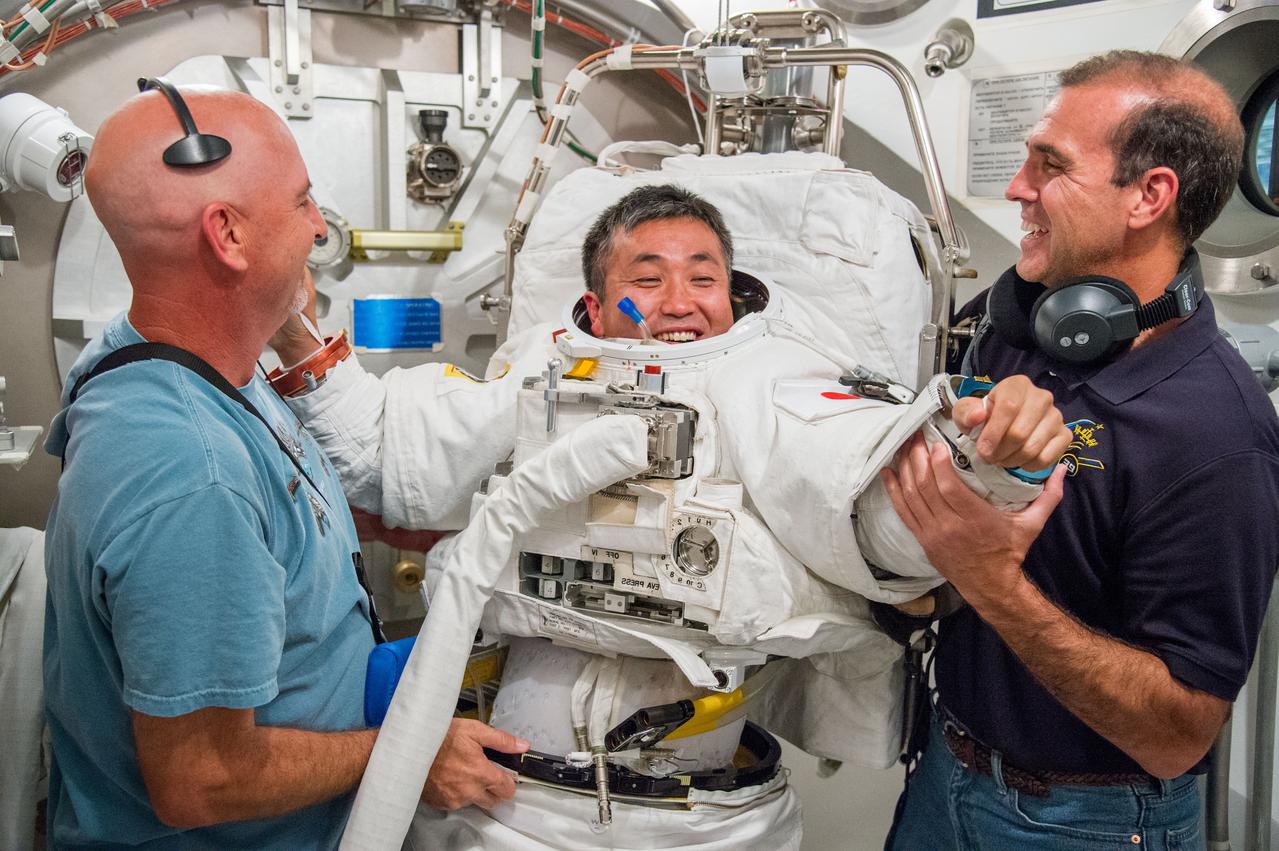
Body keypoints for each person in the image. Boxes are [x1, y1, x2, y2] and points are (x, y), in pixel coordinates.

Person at [272, 183, 1073, 848]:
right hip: (503, 806)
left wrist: (985, 462)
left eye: (704, 276)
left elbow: (871, 510)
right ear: (596, 301)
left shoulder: (777, 381)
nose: (680, 300)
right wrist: (296, 334)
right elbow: (390, 451)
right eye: (647, 278)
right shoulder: (538, 371)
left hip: (706, 825)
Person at [41, 83, 527, 850]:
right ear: (226, 236)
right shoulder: (188, 472)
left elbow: (254, 513)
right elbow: (202, 778)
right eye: (303, 204)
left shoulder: (164, 356)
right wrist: (407, 755)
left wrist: (371, 520)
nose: (317, 228)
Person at [883, 50, 1279, 849]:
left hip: (1085, 821)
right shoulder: (1014, 325)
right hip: (945, 768)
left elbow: (1177, 735)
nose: (1014, 187)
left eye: (1049, 164)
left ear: (1149, 196)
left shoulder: (1216, 433)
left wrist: (989, 578)